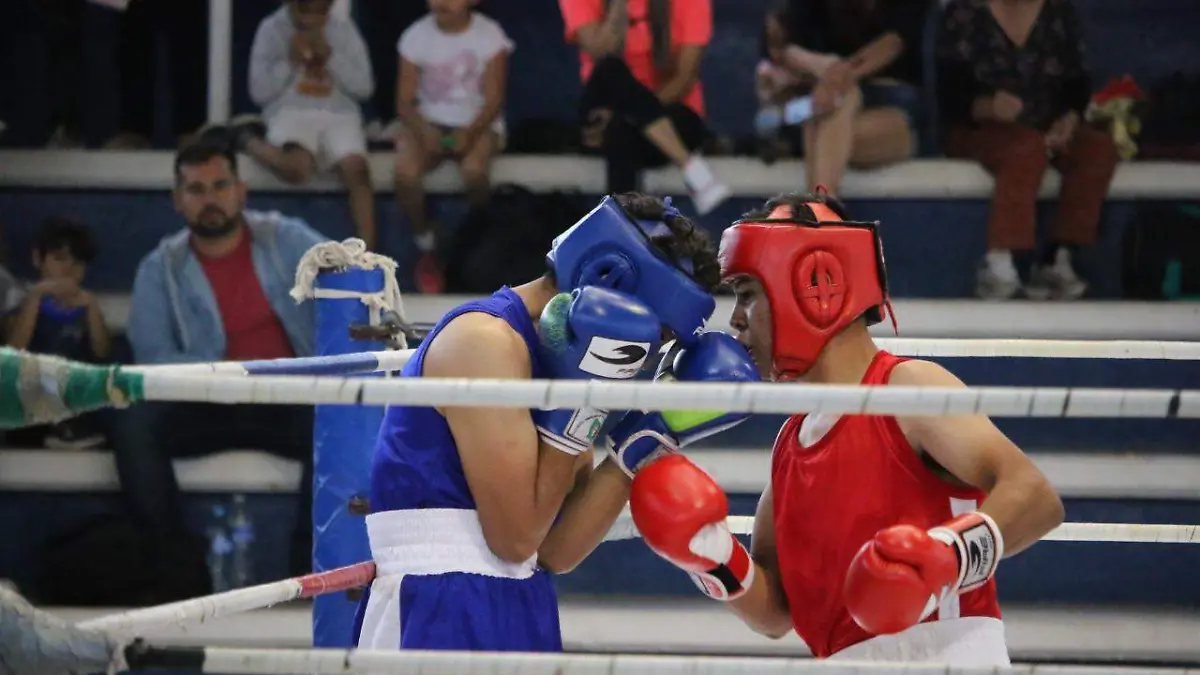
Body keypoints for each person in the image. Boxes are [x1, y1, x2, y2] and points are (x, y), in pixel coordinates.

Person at [629, 192, 1065, 663]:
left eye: (748, 293)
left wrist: (947, 558)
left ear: (815, 286)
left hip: (948, 655)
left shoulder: (906, 387)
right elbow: (777, 613)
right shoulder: (790, 444)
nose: (735, 319)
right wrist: (713, 558)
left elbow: (1036, 497)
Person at [352, 192, 760, 652]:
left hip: (520, 599)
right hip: (437, 603)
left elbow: (556, 549)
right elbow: (515, 539)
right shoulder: (483, 342)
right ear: (610, 278)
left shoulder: (562, 356)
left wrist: (651, 434)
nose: (649, 353)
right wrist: (582, 409)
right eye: (659, 331)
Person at [111, 140, 327, 599]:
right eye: (196, 189)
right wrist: (225, 372)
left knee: (338, 419)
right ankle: (171, 574)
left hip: (285, 399)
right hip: (203, 404)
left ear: (241, 190)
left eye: (220, 185)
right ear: (178, 200)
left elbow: (347, 276)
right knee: (130, 417)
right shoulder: (159, 268)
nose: (210, 198)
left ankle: (310, 577)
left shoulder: (286, 239)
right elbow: (151, 358)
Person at [937, 0, 1118, 300]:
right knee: (1024, 148)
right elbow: (948, 96)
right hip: (980, 128)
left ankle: (1057, 259)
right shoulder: (965, 13)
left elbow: (1077, 83)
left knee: (1097, 149)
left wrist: (1069, 119)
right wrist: (990, 106)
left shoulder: (1058, 12)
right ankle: (999, 265)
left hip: (1047, 127)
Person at [207, 0, 377, 250]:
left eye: (319, 12)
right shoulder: (271, 29)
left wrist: (331, 58)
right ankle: (245, 139)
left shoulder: (343, 29)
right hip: (291, 111)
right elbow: (260, 92)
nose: (310, 19)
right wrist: (289, 62)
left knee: (358, 171)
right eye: (304, 11)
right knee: (297, 168)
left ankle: (368, 258)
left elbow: (364, 88)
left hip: (338, 113)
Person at [559, 0, 730, 214]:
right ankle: (692, 168)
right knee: (610, 67)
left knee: (621, 130)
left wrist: (630, 110)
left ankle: (623, 236)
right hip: (601, 109)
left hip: (671, 111)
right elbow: (600, 52)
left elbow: (684, 78)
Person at [394, 0, 513, 294]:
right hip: (428, 123)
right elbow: (404, 102)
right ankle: (427, 244)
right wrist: (424, 132)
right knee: (405, 173)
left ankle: (477, 239)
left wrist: (469, 133)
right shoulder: (414, 36)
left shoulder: (490, 35)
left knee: (474, 170)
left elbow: (494, 100)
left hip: (479, 124)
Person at [781, 0, 929, 195]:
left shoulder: (904, 10)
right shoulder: (811, 9)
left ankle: (819, 211)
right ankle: (823, 207)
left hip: (896, 112)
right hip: (828, 104)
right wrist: (826, 70)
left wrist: (840, 76)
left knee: (824, 120)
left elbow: (892, 43)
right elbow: (789, 50)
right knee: (832, 112)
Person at [4, 217, 112, 448]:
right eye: (59, 259)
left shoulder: (85, 305)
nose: (68, 269)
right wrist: (35, 298)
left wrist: (92, 308)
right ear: (37, 259)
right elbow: (13, 351)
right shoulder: (22, 300)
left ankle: (70, 429)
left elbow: (102, 352)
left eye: (77, 263)